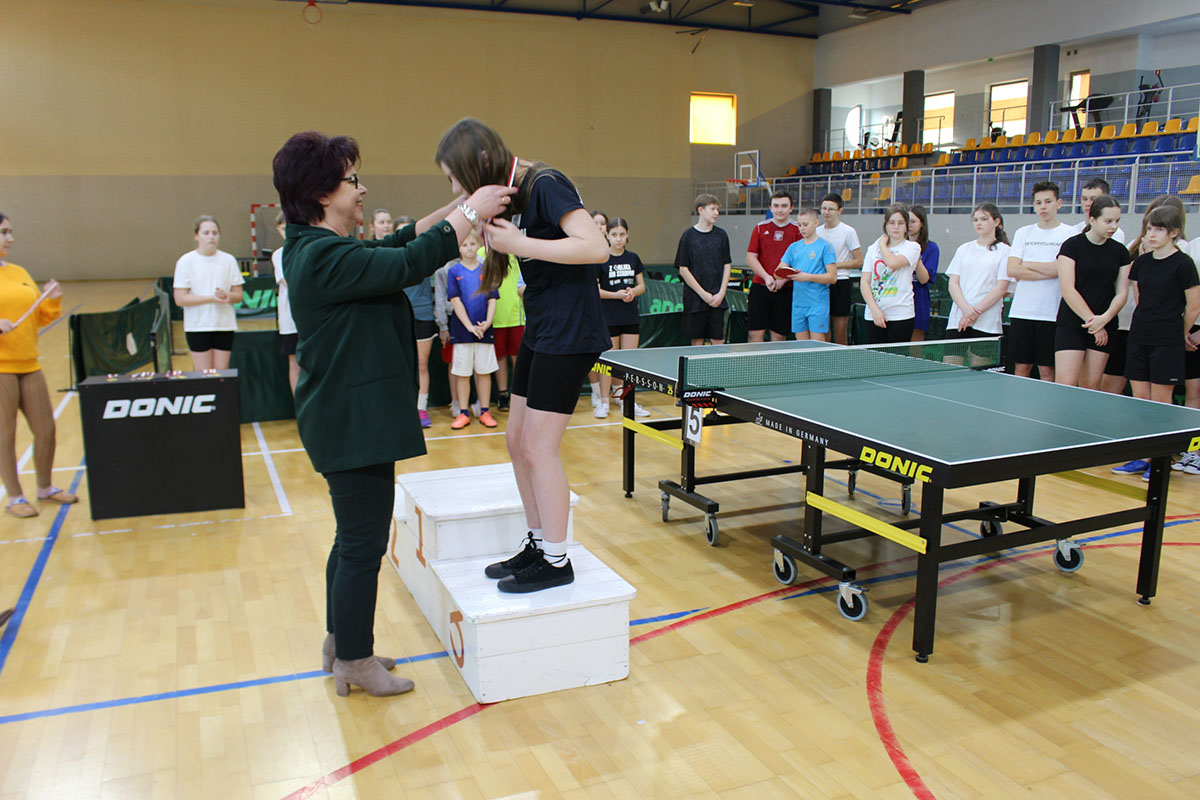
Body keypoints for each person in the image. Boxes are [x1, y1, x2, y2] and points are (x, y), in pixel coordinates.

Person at [272, 130, 513, 696]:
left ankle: (341, 642)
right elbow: (409, 260)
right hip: (350, 422)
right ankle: (354, 660)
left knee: (351, 539)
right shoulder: (321, 255)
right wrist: (470, 214)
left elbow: (403, 241)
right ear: (322, 192)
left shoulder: (321, 247)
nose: (361, 190)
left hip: (351, 418)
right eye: (352, 181)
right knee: (362, 544)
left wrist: (463, 205)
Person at [435, 117, 610, 594]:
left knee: (538, 447)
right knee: (516, 441)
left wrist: (519, 244)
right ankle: (538, 542)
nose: (456, 189)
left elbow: (595, 247)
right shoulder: (507, 194)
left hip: (570, 332)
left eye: (456, 177)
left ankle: (556, 560)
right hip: (543, 327)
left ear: (481, 162)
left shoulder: (545, 183)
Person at [1115, 204, 1200, 481]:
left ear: (1173, 232)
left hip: (1167, 341)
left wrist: (1179, 333)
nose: (1151, 234)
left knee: (1160, 401)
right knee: (1141, 400)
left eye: (1158, 229)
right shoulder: (1141, 263)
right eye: (1149, 228)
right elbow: (1141, 298)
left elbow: (1193, 306)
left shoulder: (1184, 264)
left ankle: (1159, 459)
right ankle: (1144, 456)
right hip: (1139, 337)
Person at [0, 213, 75, 519]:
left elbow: (40, 316)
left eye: (10, 232)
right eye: (3, 232)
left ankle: (45, 488)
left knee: (46, 429)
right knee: (5, 434)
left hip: (29, 364)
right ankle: (15, 496)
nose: (10, 238)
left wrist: (52, 300)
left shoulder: (19, 271)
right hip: (2, 369)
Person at [1054, 195, 1131, 389]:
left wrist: (1104, 319)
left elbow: (1121, 293)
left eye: (1117, 221)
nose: (1114, 226)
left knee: (1090, 385)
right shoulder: (1072, 246)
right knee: (1066, 383)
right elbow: (1068, 289)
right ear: (1093, 220)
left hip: (1105, 323)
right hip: (1073, 322)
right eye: (1108, 221)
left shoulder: (1120, 252)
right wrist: (1093, 323)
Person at [1002, 182, 1074, 381]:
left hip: (1052, 314)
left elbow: (1062, 269)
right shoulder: (1023, 232)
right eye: (1038, 202)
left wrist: (1028, 264)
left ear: (1059, 203)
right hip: (1022, 312)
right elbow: (1012, 269)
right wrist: (1052, 270)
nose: (1043, 206)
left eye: (1048, 201)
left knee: (1047, 370)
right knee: (1021, 368)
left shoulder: (1070, 234)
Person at [173, 216, 244, 371]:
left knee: (221, 371)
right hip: (198, 326)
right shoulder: (186, 261)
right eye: (206, 233)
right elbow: (180, 299)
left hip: (224, 325)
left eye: (215, 233)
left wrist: (226, 295)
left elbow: (238, 295)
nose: (211, 237)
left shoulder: (229, 260)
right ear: (196, 236)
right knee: (203, 373)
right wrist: (211, 298)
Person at [595, 217, 649, 417]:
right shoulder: (601, 259)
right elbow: (595, 290)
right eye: (614, 234)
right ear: (607, 236)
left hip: (630, 317)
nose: (618, 238)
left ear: (627, 236)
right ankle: (604, 402)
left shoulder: (633, 258)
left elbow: (642, 286)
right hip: (608, 317)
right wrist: (616, 295)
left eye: (622, 234)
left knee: (629, 362)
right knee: (608, 362)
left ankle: (627, 400)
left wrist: (633, 292)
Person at [447, 232, 500, 429]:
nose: (469, 248)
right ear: (459, 248)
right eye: (464, 245)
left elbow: (492, 299)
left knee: (484, 372)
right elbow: (455, 300)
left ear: (478, 245)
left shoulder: (487, 269)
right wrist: (469, 326)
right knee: (462, 373)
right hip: (462, 332)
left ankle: (485, 411)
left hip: (484, 330)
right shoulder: (454, 271)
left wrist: (487, 322)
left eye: (472, 244)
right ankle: (463, 412)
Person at [390, 215, 438, 428]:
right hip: (398, 314)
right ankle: (401, 409)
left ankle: (421, 408)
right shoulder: (390, 258)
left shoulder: (425, 256)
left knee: (421, 363)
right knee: (398, 365)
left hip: (422, 314)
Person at [945, 203, 1011, 343]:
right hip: (958, 318)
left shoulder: (1005, 251)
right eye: (975, 220)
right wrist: (966, 309)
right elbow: (953, 283)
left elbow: (1001, 288)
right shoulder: (964, 249)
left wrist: (975, 313)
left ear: (996, 222)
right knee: (953, 356)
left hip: (987, 322)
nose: (978, 223)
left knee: (980, 358)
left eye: (984, 219)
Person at [860, 203, 922, 344]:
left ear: (906, 226)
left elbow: (892, 263)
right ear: (886, 225)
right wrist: (874, 310)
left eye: (900, 223)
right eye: (892, 223)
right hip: (874, 314)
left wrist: (882, 245)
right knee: (876, 355)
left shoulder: (912, 247)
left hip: (901, 314)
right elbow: (865, 282)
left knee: (896, 356)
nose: (896, 227)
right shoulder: (872, 249)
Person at [676, 194, 732, 346]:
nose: (716, 213)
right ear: (701, 210)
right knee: (697, 340)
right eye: (712, 209)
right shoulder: (688, 236)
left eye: (717, 209)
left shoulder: (721, 235)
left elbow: (727, 265)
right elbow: (683, 269)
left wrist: (721, 293)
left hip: (717, 298)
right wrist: (703, 294)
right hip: (695, 300)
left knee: (718, 340)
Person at [746, 190, 801, 343]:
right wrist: (766, 277)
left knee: (778, 336)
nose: (780, 210)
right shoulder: (760, 228)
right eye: (776, 206)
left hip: (786, 290)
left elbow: (799, 262)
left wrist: (782, 280)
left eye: (784, 206)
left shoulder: (797, 230)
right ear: (770, 208)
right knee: (754, 334)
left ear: (791, 208)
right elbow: (751, 257)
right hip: (760, 287)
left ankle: (775, 360)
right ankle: (755, 361)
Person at [778, 208, 837, 341]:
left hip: (817, 303)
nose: (802, 229)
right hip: (798, 304)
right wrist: (787, 273)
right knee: (802, 345)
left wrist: (807, 277)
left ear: (816, 223)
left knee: (816, 345)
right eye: (799, 225)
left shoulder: (825, 246)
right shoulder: (793, 247)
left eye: (805, 225)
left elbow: (832, 277)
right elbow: (778, 272)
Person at [816, 192, 864, 345]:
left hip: (840, 282)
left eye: (831, 209)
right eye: (824, 208)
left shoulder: (848, 232)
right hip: (820, 283)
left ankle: (841, 358)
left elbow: (859, 261)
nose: (827, 212)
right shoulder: (816, 231)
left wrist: (835, 265)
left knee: (840, 333)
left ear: (840, 211)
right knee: (822, 332)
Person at [271, 213, 300, 394]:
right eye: (283, 228)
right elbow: (290, 282)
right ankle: (300, 406)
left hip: (312, 319)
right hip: (290, 320)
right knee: (295, 364)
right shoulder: (278, 255)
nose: (287, 232)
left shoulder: (307, 250)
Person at [493, 254, 525, 412]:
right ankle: (503, 394)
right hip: (495, 317)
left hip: (517, 316)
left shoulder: (517, 253)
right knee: (500, 357)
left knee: (518, 358)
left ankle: (520, 395)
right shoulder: (482, 254)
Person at [586, 210, 609, 409]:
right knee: (592, 355)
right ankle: (595, 392)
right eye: (596, 223)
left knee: (611, 357)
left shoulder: (613, 254)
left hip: (612, 313)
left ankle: (615, 395)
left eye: (603, 223)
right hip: (589, 311)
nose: (600, 227)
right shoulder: (586, 252)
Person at [908, 205, 940, 341]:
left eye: (913, 221)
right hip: (897, 297)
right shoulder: (895, 246)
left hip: (919, 299)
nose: (909, 225)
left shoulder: (931, 248)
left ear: (922, 224)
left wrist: (915, 253)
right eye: (906, 221)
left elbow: (924, 279)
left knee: (915, 345)